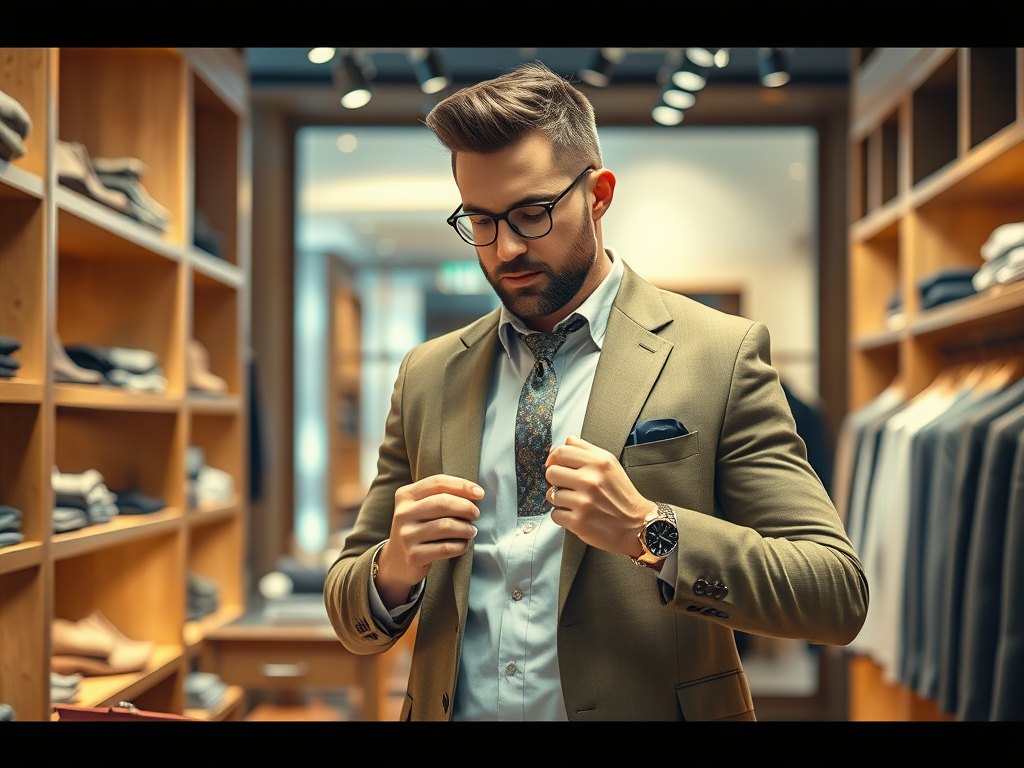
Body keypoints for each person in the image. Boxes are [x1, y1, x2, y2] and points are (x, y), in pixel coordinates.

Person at [324, 62, 868, 721]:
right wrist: (393, 569)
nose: (504, 249)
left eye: (531, 214)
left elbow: (835, 595)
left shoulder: (719, 353)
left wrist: (651, 530)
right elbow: (352, 612)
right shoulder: (428, 374)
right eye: (479, 221)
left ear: (599, 195)